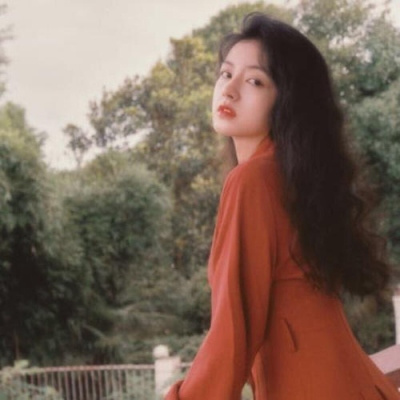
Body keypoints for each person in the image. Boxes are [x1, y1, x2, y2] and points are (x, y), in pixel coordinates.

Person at [165, 12, 400, 400]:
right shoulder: (289, 179)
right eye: (226, 74)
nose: (230, 90)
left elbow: (233, 332)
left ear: (287, 102)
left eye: (255, 81)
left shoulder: (253, 181)